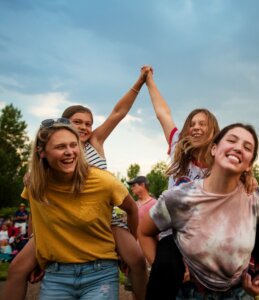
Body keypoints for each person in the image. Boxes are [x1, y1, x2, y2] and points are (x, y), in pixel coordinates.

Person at [144, 68, 259, 300]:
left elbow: (242, 156)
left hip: (220, 230)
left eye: (202, 124)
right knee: (166, 263)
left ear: (215, 137)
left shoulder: (221, 160)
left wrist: (249, 176)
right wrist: (148, 81)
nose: (196, 127)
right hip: (178, 231)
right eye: (192, 123)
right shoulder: (178, 145)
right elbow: (162, 112)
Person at [2, 67, 150, 300]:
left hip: (102, 218)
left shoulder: (95, 142)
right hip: (58, 221)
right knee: (18, 268)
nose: (83, 127)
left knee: (137, 261)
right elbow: (36, 207)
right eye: (77, 122)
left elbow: (118, 112)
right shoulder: (48, 162)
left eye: (88, 123)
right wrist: (39, 245)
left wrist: (140, 82)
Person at [139, 123, 259, 300]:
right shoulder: (180, 197)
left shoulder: (258, 197)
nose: (238, 148)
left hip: (240, 294)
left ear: (249, 165)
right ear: (214, 149)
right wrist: (165, 269)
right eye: (232, 140)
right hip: (190, 294)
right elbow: (144, 232)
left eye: (247, 147)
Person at [23, 120, 138, 299]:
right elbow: (37, 220)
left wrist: (132, 240)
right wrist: (38, 256)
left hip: (100, 272)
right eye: (60, 147)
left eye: (73, 145)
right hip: (56, 274)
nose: (69, 152)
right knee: (16, 270)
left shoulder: (104, 181)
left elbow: (132, 209)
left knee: (137, 260)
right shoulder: (35, 184)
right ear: (42, 152)